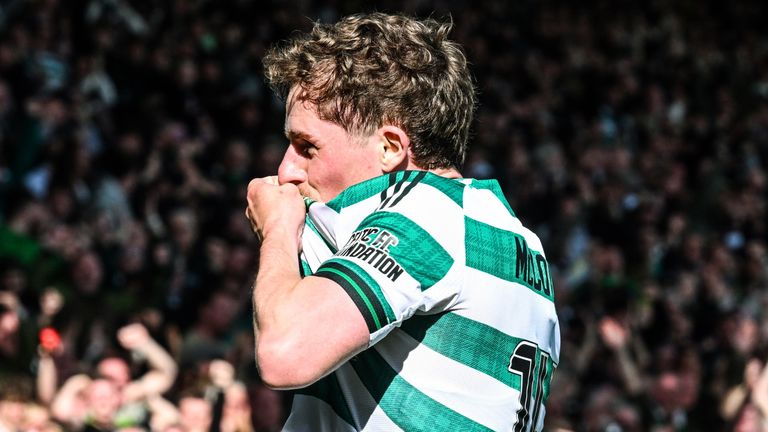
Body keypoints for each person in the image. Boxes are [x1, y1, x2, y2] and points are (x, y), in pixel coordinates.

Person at [245, 12, 560, 431]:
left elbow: (285, 351)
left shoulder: (427, 211)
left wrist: (279, 229)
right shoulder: (516, 238)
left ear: (390, 147)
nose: (287, 171)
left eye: (307, 146)